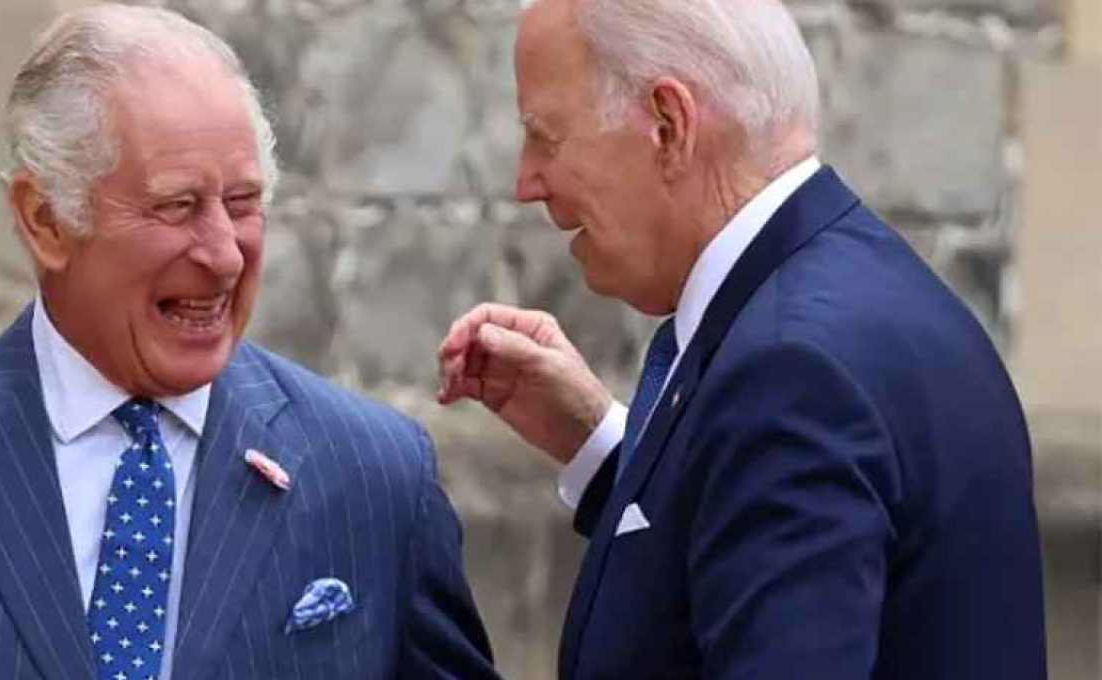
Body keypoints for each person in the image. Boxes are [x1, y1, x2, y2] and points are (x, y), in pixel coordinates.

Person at [0, 6, 498, 679]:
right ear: (45, 220)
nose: (224, 254)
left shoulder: (375, 481)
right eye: (177, 207)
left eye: (244, 202)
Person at [437, 0, 1045, 678]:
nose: (526, 183)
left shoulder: (791, 373)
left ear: (669, 125)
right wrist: (603, 446)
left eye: (546, 139)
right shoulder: (877, 298)